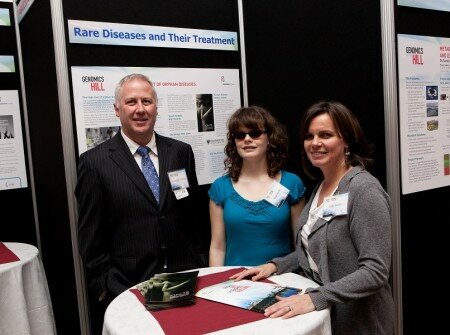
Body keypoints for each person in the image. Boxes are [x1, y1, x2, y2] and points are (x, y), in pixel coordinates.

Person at [231, 101, 394, 335]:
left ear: (346, 140)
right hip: (332, 316)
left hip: (361, 321)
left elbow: (375, 271)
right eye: (309, 136)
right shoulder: (321, 187)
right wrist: (274, 265)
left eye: (325, 135)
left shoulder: (364, 189)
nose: (315, 143)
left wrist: (314, 298)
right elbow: (315, 249)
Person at [75, 73, 205, 334]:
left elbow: (193, 215)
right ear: (117, 109)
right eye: (131, 102)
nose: (140, 109)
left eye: (146, 101)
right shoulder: (95, 163)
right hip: (131, 290)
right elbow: (91, 241)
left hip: (184, 282)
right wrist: (110, 288)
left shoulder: (180, 152)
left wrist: (199, 261)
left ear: (156, 107)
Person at [208, 106, 306, 266]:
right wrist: (216, 285)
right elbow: (218, 247)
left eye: (255, 133)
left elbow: (300, 247)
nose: (247, 139)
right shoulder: (220, 187)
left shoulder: (291, 184)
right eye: (240, 135)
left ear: (270, 138)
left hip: (281, 280)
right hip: (234, 283)